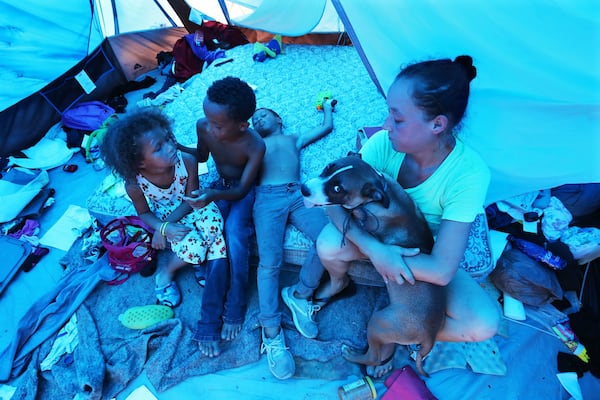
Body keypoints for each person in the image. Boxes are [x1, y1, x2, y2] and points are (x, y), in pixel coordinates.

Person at [287, 56, 501, 378]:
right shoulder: (381, 145)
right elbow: (335, 198)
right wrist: (377, 251)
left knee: (484, 323)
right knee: (329, 243)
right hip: (377, 239)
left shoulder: (469, 174)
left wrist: (391, 260)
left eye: (397, 119)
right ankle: (339, 283)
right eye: (389, 112)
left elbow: (442, 270)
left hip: (425, 253)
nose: (386, 125)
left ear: (437, 124)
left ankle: (402, 331)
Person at [100, 108, 233, 358]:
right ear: (140, 162)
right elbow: (143, 214)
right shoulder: (134, 184)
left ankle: (197, 264)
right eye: (159, 147)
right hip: (166, 219)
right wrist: (162, 227)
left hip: (193, 207)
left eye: (168, 139)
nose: (171, 147)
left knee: (215, 229)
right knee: (194, 247)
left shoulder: (188, 162)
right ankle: (167, 272)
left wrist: (162, 229)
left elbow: (192, 199)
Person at [251, 99, 335, 379]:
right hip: (266, 199)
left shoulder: (292, 138)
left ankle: (301, 293)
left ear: (279, 120)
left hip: (297, 194)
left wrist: (327, 108)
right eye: (254, 118)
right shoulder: (252, 143)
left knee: (329, 238)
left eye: (263, 115)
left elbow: (326, 127)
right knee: (269, 263)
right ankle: (271, 333)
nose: (258, 119)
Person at [182, 76, 266, 342]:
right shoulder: (204, 127)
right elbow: (202, 156)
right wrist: (177, 147)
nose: (209, 127)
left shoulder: (254, 145)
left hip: (242, 191)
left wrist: (213, 194)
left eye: (217, 124)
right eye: (206, 118)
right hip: (219, 186)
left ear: (243, 125)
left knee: (234, 235)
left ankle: (235, 305)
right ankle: (209, 314)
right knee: (212, 236)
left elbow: (241, 190)